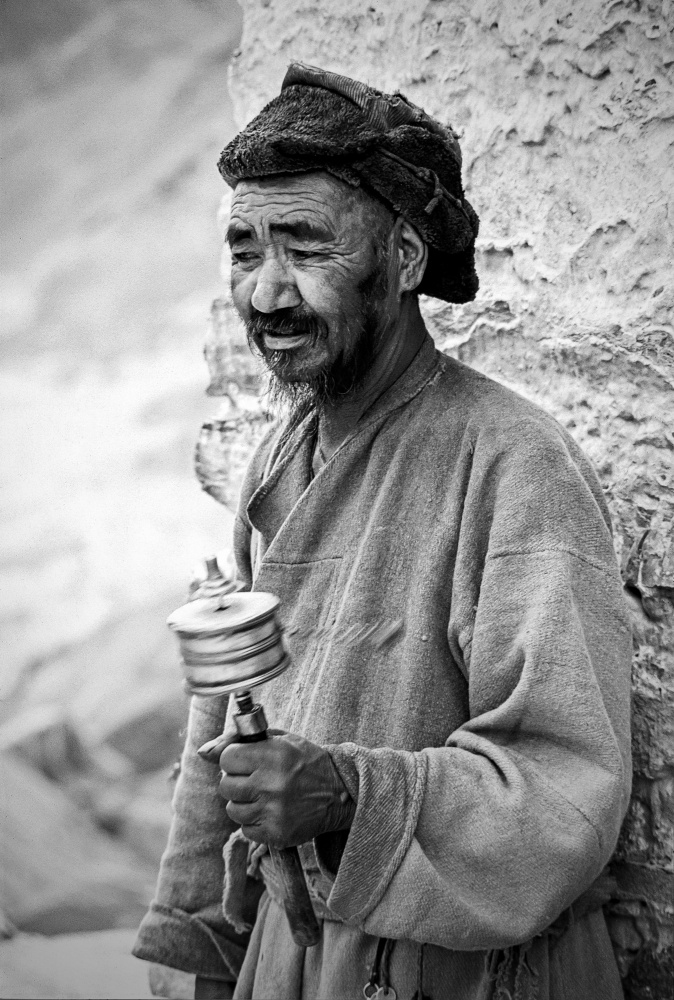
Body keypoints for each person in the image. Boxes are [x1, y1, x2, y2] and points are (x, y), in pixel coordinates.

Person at [133, 64, 632, 1000]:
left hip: (467, 971)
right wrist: (202, 943)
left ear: (403, 260)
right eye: (245, 251)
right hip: (293, 959)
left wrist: (347, 794)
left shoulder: (512, 464)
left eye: (306, 248)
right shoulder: (276, 466)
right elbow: (225, 742)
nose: (267, 295)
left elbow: (567, 790)